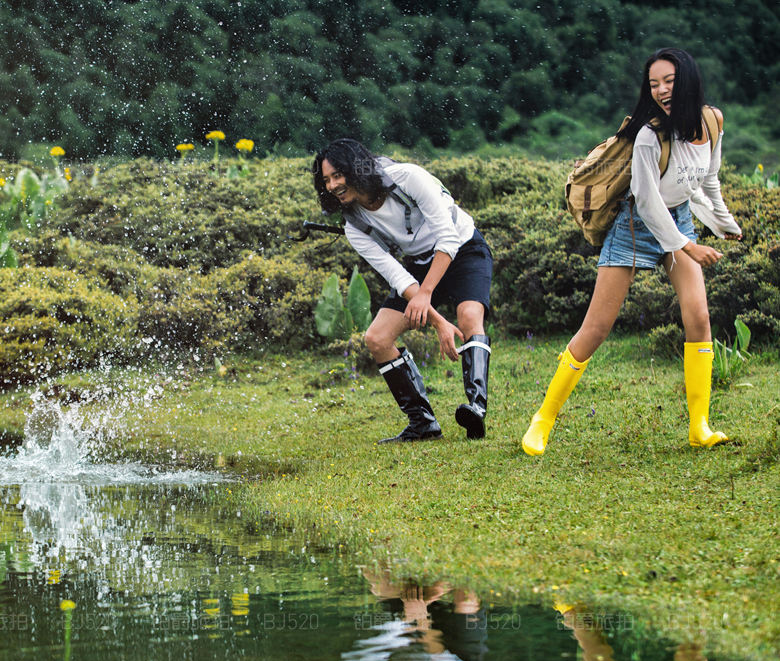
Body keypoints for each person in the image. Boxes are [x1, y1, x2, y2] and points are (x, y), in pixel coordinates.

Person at [521, 48, 743, 456]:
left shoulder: (712, 120)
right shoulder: (648, 135)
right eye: (654, 84)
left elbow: (708, 180)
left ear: (688, 79)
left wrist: (726, 225)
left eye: (669, 81)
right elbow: (645, 199)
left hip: (678, 218)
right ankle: (542, 420)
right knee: (596, 329)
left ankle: (700, 426)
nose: (661, 90)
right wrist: (688, 246)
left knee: (699, 317)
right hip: (635, 226)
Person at [312, 139, 496, 442]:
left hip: (463, 248)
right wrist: (437, 322)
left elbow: (447, 237)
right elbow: (396, 274)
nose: (332, 185)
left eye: (337, 175)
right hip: (418, 266)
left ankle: (476, 408)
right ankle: (423, 423)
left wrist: (426, 295)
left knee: (469, 315)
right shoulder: (353, 223)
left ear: (356, 168)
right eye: (326, 180)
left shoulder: (408, 177)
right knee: (377, 338)